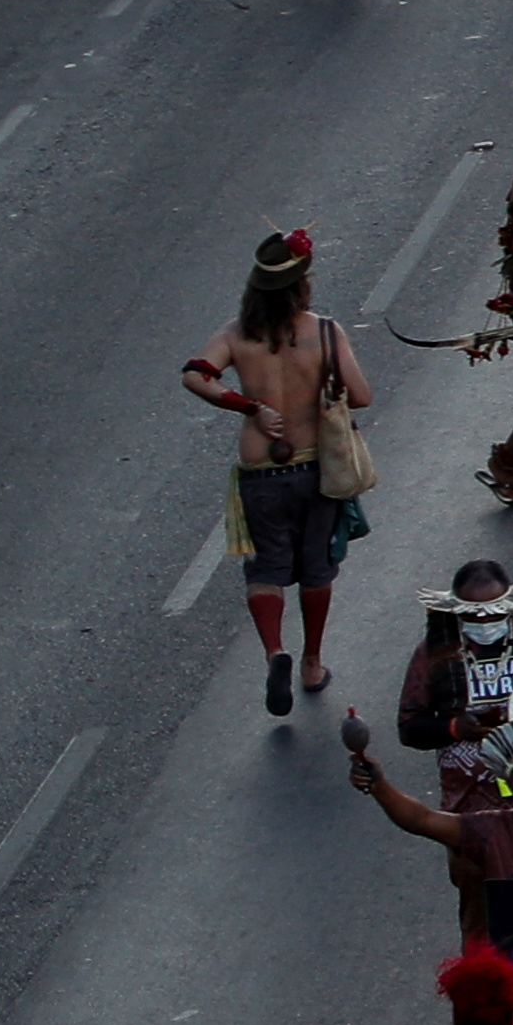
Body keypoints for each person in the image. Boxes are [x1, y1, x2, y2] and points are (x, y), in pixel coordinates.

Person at [178, 228, 369, 714]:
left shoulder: (235, 334)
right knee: (316, 568)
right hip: (317, 469)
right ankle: (311, 662)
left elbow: (195, 374)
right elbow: (361, 395)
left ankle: (274, 651)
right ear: (302, 284)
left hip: (261, 469)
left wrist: (251, 408)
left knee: (265, 570)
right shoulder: (325, 331)